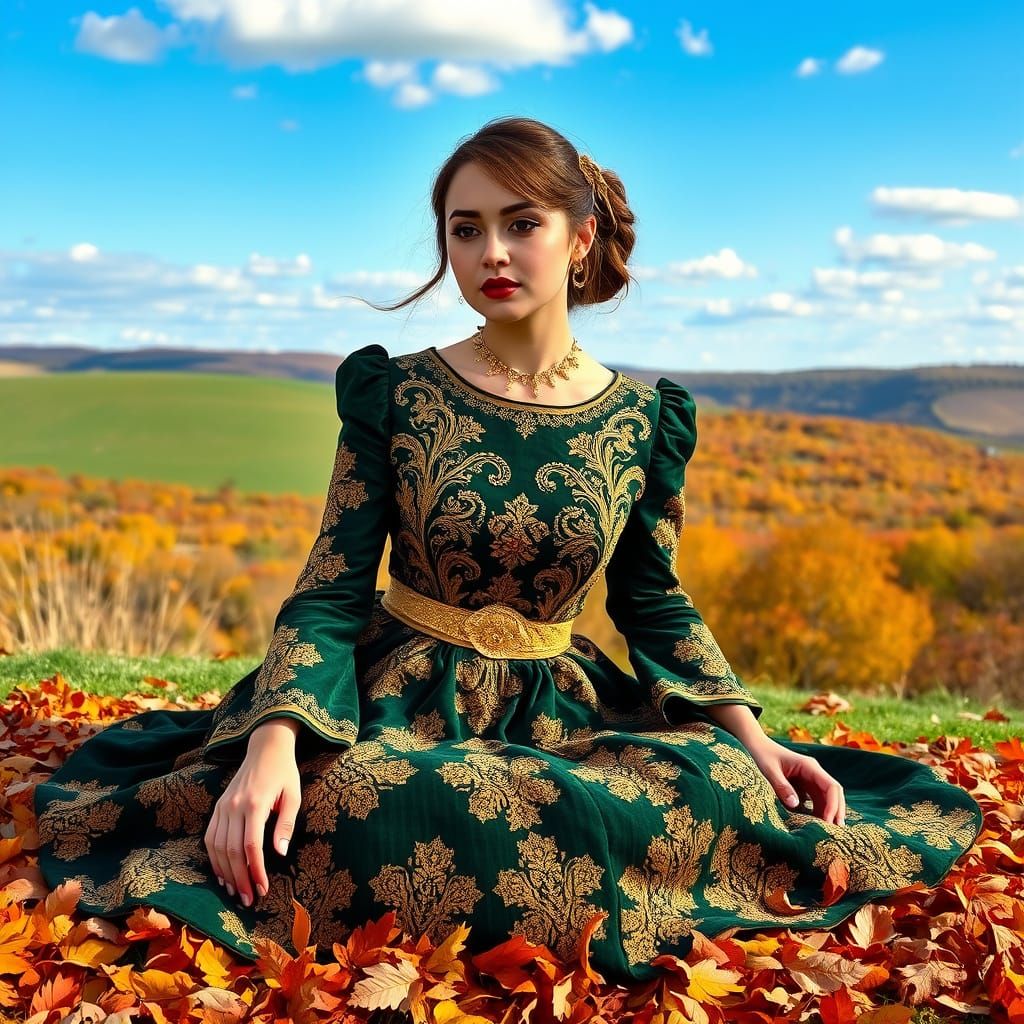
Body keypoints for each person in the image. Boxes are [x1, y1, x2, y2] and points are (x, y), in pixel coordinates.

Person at [33, 116, 983, 986]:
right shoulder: (395, 394)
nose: (489, 252)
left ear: (580, 237)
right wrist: (273, 741)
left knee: (707, 788)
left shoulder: (645, 422)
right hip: (392, 688)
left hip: (560, 703)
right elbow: (329, 589)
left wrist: (751, 733)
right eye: (464, 228)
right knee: (356, 796)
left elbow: (653, 601)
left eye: (520, 222)